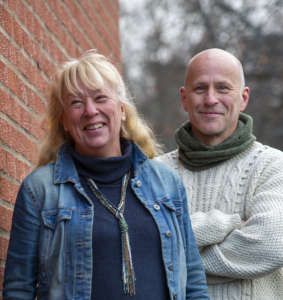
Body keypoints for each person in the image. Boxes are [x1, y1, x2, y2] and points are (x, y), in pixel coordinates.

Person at [3, 50, 209, 300]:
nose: (90, 110)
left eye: (100, 98)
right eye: (76, 102)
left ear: (122, 110)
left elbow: (193, 282)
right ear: (64, 120)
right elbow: (18, 291)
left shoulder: (166, 183)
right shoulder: (39, 191)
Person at [157, 48, 283, 300]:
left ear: (243, 97)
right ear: (184, 98)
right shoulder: (155, 173)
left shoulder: (273, 166)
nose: (211, 99)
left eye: (223, 88)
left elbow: (272, 249)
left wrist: (175, 257)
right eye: (200, 88)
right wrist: (230, 223)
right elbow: (143, 245)